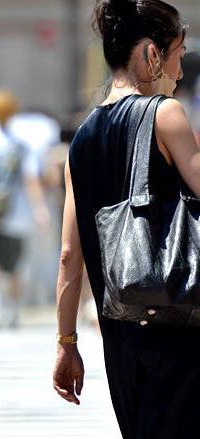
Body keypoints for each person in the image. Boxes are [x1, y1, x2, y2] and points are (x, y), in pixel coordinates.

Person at [53, 1, 200, 437]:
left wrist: (66, 345)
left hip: (119, 338)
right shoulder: (165, 114)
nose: (179, 70)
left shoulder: (80, 140)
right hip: (183, 327)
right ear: (152, 54)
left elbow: (67, 255)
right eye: (178, 54)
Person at [0, 89, 51, 327]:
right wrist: (40, 209)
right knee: (13, 265)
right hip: (16, 214)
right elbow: (31, 178)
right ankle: (12, 310)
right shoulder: (21, 142)